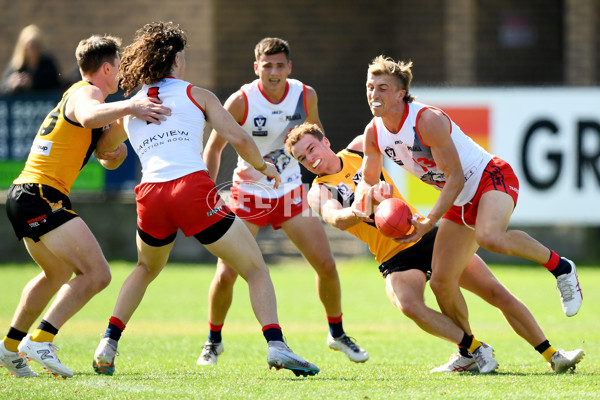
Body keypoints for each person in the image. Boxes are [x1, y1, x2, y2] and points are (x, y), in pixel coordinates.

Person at [91, 22, 319, 378]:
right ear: (178, 60)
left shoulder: (133, 103)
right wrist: (265, 167)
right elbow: (238, 137)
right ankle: (277, 346)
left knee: (145, 268)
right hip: (191, 189)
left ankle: (108, 342)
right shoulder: (197, 94)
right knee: (255, 268)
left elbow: (104, 149)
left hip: (150, 195)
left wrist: (118, 147)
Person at [285, 122, 585, 374]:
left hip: (425, 234)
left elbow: (398, 134)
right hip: (394, 257)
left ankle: (553, 355)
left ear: (325, 142)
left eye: (311, 149)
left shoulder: (360, 148)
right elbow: (334, 218)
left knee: (495, 292)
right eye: (301, 159)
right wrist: (358, 211)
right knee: (407, 304)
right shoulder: (319, 190)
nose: (309, 159)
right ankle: (472, 349)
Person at [355, 55, 583, 365]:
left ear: (400, 94)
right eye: (370, 87)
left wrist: (428, 220)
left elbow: (456, 176)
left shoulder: (426, 120)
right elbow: (366, 182)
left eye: (382, 87)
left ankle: (561, 267)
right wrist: (369, 195)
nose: (373, 94)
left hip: (489, 178)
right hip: (459, 202)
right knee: (441, 283)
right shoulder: (373, 132)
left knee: (490, 236)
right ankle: (471, 353)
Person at [0, 34, 171, 379]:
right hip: (40, 194)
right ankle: (41, 340)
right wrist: (131, 105)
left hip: (26, 194)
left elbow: (104, 147)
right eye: (119, 66)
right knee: (97, 274)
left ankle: (8, 348)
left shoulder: (84, 96)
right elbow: (90, 114)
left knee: (57, 274)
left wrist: (115, 149)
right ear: (106, 68)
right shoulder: (86, 93)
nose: (121, 73)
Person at [197, 37, 368, 366]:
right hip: (249, 193)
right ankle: (213, 341)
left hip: (291, 192)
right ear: (256, 67)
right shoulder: (241, 101)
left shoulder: (305, 95)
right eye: (267, 65)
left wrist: (333, 177)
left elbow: (316, 137)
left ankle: (337, 333)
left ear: (289, 67)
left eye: (280, 65)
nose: (273, 72)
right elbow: (215, 148)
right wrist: (206, 191)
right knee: (227, 273)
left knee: (327, 264)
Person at [1, 24, 61, 94]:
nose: (32, 49)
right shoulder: (16, 65)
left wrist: (33, 83)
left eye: (35, 45)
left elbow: (57, 87)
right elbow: (3, 89)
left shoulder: (47, 64)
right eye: (30, 45)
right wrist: (11, 85)